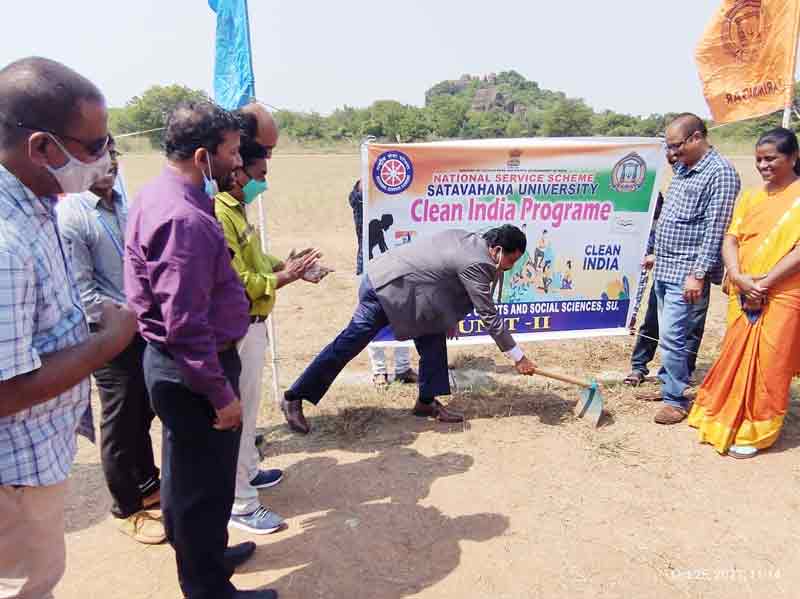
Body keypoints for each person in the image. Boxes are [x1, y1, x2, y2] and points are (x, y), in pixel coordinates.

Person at [125, 101, 276, 599]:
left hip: (184, 366)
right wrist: (220, 394)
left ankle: (208, 554)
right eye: (232, 151)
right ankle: (208, 587)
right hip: (194, 370)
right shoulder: (182, 217)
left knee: (193, 479)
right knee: (201, 487)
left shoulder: (164, 195)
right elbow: (185, 323)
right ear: (201, 155)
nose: (239, 161)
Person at [0, 57, 137, 598]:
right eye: (93, 144)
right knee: (25, 586)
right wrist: (108, 341)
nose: (106, 157)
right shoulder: (6, 242)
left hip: (34, 456)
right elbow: (5, 390)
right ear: (41, 148)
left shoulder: (37, 205)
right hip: (14, 470)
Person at [280, 225, 538, 435]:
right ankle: (294, 397)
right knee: (347, 345)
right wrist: (518, 357)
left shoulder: (471, 240)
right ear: (497, 249)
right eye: (510, 260)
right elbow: (489, 315)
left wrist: (449, 318)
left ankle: (426, 402)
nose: (510, 267)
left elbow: (443, 278)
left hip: (414, 294)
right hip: (387, 290)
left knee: (434, 340)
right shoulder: (478, 262)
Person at [56, 136, 164, 544]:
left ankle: (147, 484)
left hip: (139, 329)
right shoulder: (72, 216)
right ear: (79, 164)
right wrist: (130, 315)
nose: (111, 165)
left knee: (143, 410)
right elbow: (82, 295)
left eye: (114, 155)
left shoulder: (122, 203)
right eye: (100, 158)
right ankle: (127, 508)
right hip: (107, 338)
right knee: (120, 422)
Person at [214, 119, 319, 535]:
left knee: (251, 410)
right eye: (259, 175)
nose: (262, 184)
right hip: (240, 326)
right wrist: (288, 276)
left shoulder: (237, 209)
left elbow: (256, 260)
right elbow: (238, 282)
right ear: (236, 171)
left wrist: (288, 266)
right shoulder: (220, 214)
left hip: (253, 323)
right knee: (239, 412)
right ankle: (240, 502)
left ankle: (248, 474)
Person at [688, 127, 800, 458]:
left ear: (793, 157)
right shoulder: (752, 196)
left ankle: (758, 430)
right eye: (759, 160)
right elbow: (731, 238)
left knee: (770, 361)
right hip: (743, 289)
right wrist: (737, 275)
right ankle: (725, 416)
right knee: (734, 355)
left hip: (783, 292)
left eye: (771, 159)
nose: (763, 166)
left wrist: (763, 284)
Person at [642, 113, 740, 425]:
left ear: (696, 137)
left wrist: (698, 274)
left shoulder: (721, 173)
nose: (672, 152)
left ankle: (676, 400)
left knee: (674, 336)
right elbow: (674, 216)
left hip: (687, 273)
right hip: (666, 266)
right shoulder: (685, 168)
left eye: (676, 145)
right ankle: (668, 383)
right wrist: (656, 253)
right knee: (668, 335)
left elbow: (715, 230)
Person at [623, 191, 708, 387]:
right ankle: (639, 366)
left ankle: (678, 378)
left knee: (690, 327)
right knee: (653, 321)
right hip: (667, 273)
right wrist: (631, 313)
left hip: (694, 275)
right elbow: (642, 272)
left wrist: (699, 274)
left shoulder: (714, 186)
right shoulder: (647, 230)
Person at [349, 179, 418, 388]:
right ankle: (379, 371)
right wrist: (371, 169)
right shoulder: (365, 206)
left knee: (404, 317)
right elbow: (356, 196)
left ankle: (403, 368)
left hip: (399, 268)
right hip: (371, 271)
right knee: (372, 320)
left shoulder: (399, 205)